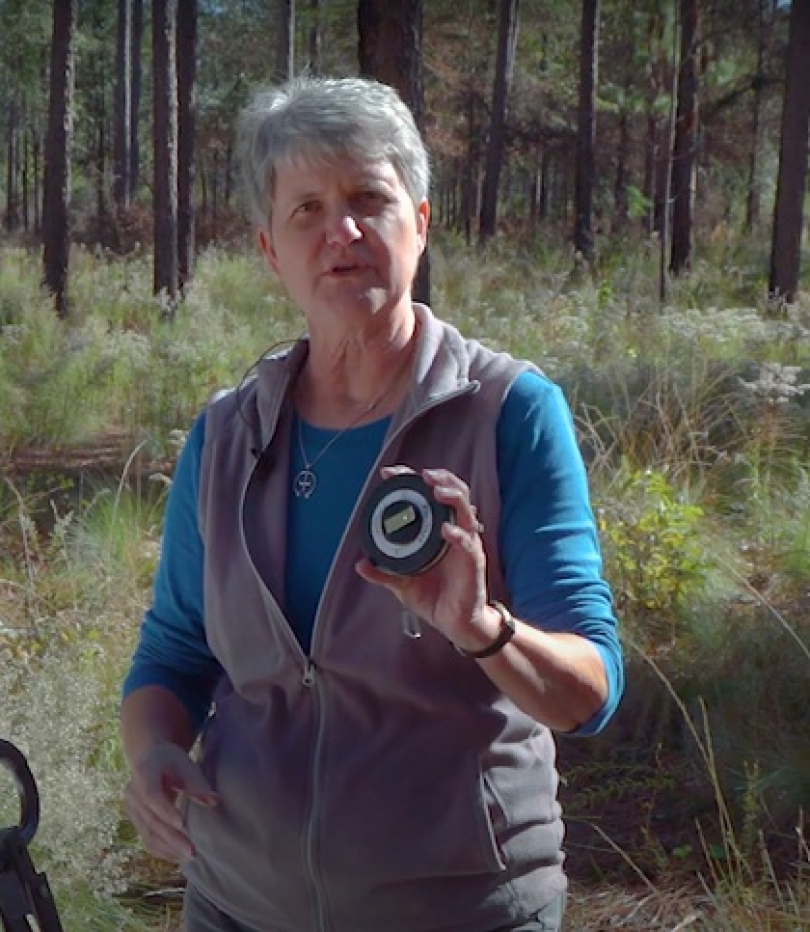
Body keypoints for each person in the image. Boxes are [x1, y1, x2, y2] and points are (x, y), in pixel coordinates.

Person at [119, 76, 623, 932]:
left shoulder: (509, 414)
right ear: (271, 249)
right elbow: (172, 652)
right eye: (306, 208)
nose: (340, 232)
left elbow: (589, 693)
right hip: (238, 903)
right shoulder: (225, 436)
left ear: (419, 224)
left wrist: (482, 629)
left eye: (368, 198)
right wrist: (153, 749)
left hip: (464, 909)